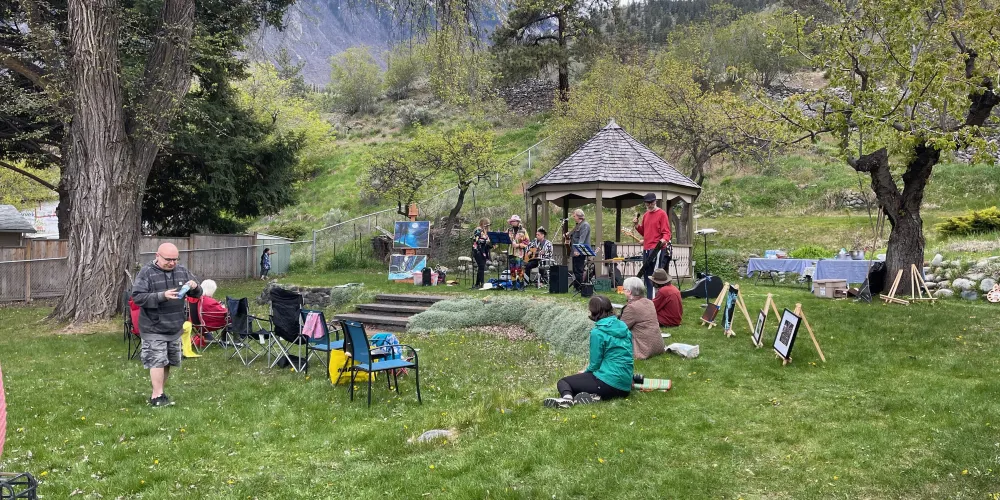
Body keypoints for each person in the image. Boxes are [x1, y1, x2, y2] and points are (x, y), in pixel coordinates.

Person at [131, 243, 201, 407]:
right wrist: (162, 296)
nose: (172, 263)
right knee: (157, 360)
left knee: (167, 361)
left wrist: (195, 287)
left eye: (175, 259)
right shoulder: (146, 272)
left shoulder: (182, 271)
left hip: (174, 326)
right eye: (168, 259)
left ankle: (160, 392)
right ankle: (157, 396)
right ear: (157, 256)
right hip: (153, 326)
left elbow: (198, 293)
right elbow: (138, 297)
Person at [544, 295, 633, 408]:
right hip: (625, 387)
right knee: (588, 382)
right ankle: (594, 396)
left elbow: (595, 364)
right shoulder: (624, 327)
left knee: (564, 382)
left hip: (608, 383)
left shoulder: (597, 332)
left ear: (593, 311)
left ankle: (566, 399)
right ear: (611, 308)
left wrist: (585, 372)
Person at [633, 193, 671, 299]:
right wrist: (636, 225)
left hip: (657, 249)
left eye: (651, 202)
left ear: (655, 201)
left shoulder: (662, 214)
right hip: (646, 248)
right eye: (648, 203)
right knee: (647, 275)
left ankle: (656, 300)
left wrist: (664, 240)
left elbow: (667, 233)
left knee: (655, 276)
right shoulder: (646, 215)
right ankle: (650, 298)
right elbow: (645, 232)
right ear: (645, 203)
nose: (650, 205)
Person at [619, 277, 664, 360]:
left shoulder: (631, 307)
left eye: (624, 289)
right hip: (658, 346)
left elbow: (620, 329)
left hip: (643, 350)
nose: (623, 292)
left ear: (629, 291)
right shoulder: (649, 302)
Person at [185, 279, 228, 353]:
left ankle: (208, 336)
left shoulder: (193, 299)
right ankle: (233, 340)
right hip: (208, 325)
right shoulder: (209, 301)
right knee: (230, 318)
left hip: (196, 325)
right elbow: (223, 312)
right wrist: (223, 307)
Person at [564, 209, 591, 290]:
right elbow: (575, 236)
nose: (573, 216)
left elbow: (582, 239)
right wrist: (568, 234)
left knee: (579, 269)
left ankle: (579, 287)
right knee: (575, 269)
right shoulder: (578, 225)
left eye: (574, 215)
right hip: (575, 250)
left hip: (580, 251)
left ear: (579, 216)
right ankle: (576, 286)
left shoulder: (585, 225)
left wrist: (578, 250)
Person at [506, 215, 530, 283]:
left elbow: (527, 241)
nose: (512, 222)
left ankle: (521, 284)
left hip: (519, 253)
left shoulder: (523, 230)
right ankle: (513, 284)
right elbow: (504, 238)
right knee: (512, 269)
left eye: (514, 221)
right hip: (511, 252)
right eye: (511, 221)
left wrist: (518, 245)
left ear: (518, 222)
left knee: (519, 269)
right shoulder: (509, 230)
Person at [471, 218, 492, 288]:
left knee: (481, 267)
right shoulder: (478, 230)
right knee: (481, 266)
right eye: (485, 224)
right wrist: (486, 241)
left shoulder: (487, 232)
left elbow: (488, 242)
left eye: (488, 224)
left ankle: (477, 284)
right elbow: (477, 240)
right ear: (482, 223)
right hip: (477, 250)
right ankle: (482, 283)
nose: (487, 225)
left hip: (484, 251)